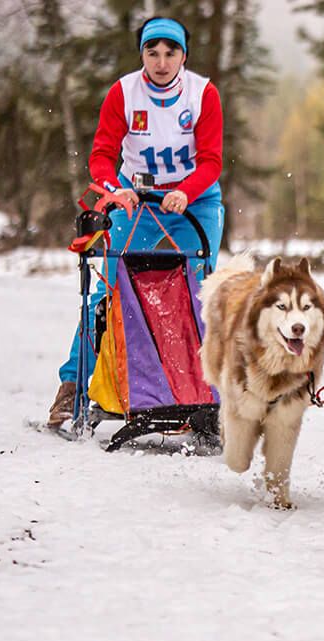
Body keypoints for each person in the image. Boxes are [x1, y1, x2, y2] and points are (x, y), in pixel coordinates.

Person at [47, 16, 224, 429]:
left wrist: (187, 191)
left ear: (184, 56)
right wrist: (113, 188)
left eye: (170, 53)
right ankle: (72, 387)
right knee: (107, 292)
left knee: (199, 295)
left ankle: (199, 398)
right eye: (152, 53)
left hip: (191, 203)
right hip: (133, 200)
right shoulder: (123, 93)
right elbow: (101, 155)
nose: (161, 63)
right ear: (142, 54)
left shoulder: (203, 93)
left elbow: (212, 160)